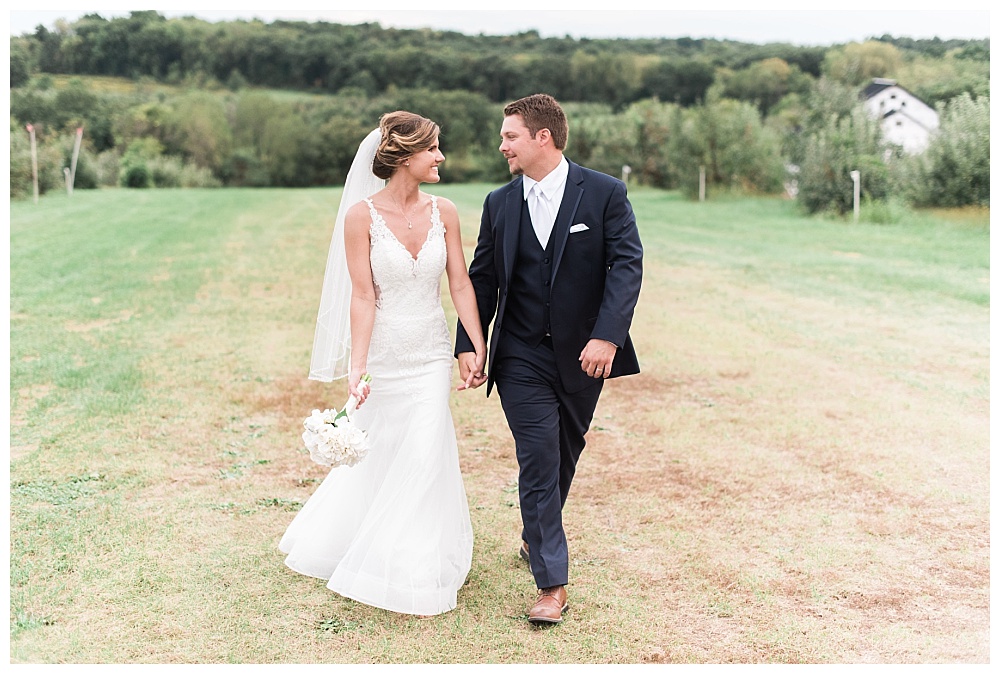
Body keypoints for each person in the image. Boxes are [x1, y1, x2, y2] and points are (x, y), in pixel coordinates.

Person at [279, 111, 488, 617]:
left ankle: (411, 559)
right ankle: (365, 545)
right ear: (403, 155)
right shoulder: (361, 217)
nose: (441, 157)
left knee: (424, 451)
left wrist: (478, 345)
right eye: (433, 148)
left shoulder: (447, 211)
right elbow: (364, 296)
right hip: (387, 353)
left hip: (432, 353)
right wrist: (358, 366)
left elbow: (460, 282)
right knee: (383, 452)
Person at [455, 94, 643, 625]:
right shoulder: (500, 202)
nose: (502, 145)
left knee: (564, 452)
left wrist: (607, 337)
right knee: (537, 459)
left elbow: (626, 266)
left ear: (542, 137)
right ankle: (551, 584)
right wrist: (470, 343)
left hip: (585, 355)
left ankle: (534, 532)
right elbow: (484, 277)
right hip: (519, 355)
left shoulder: (605, 193)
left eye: (510, 136)